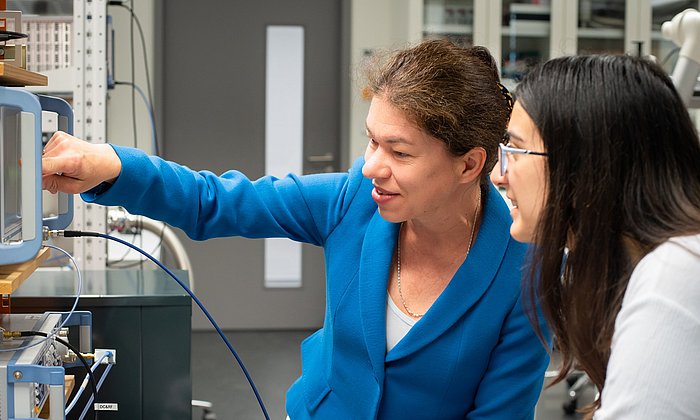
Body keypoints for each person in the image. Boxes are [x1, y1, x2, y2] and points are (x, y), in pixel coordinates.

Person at [43, 39, 549, 418]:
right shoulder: (354, 199)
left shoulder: (527, 274)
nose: (372, 165)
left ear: (469, 165)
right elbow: (214, 200)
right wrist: (109, 165)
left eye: (399, 152)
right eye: (371, 141)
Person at [490, 54, 700, 419]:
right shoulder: (648, 266)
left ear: (584, 164)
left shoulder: (674, 274)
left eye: (516, 151)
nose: (498, 175)